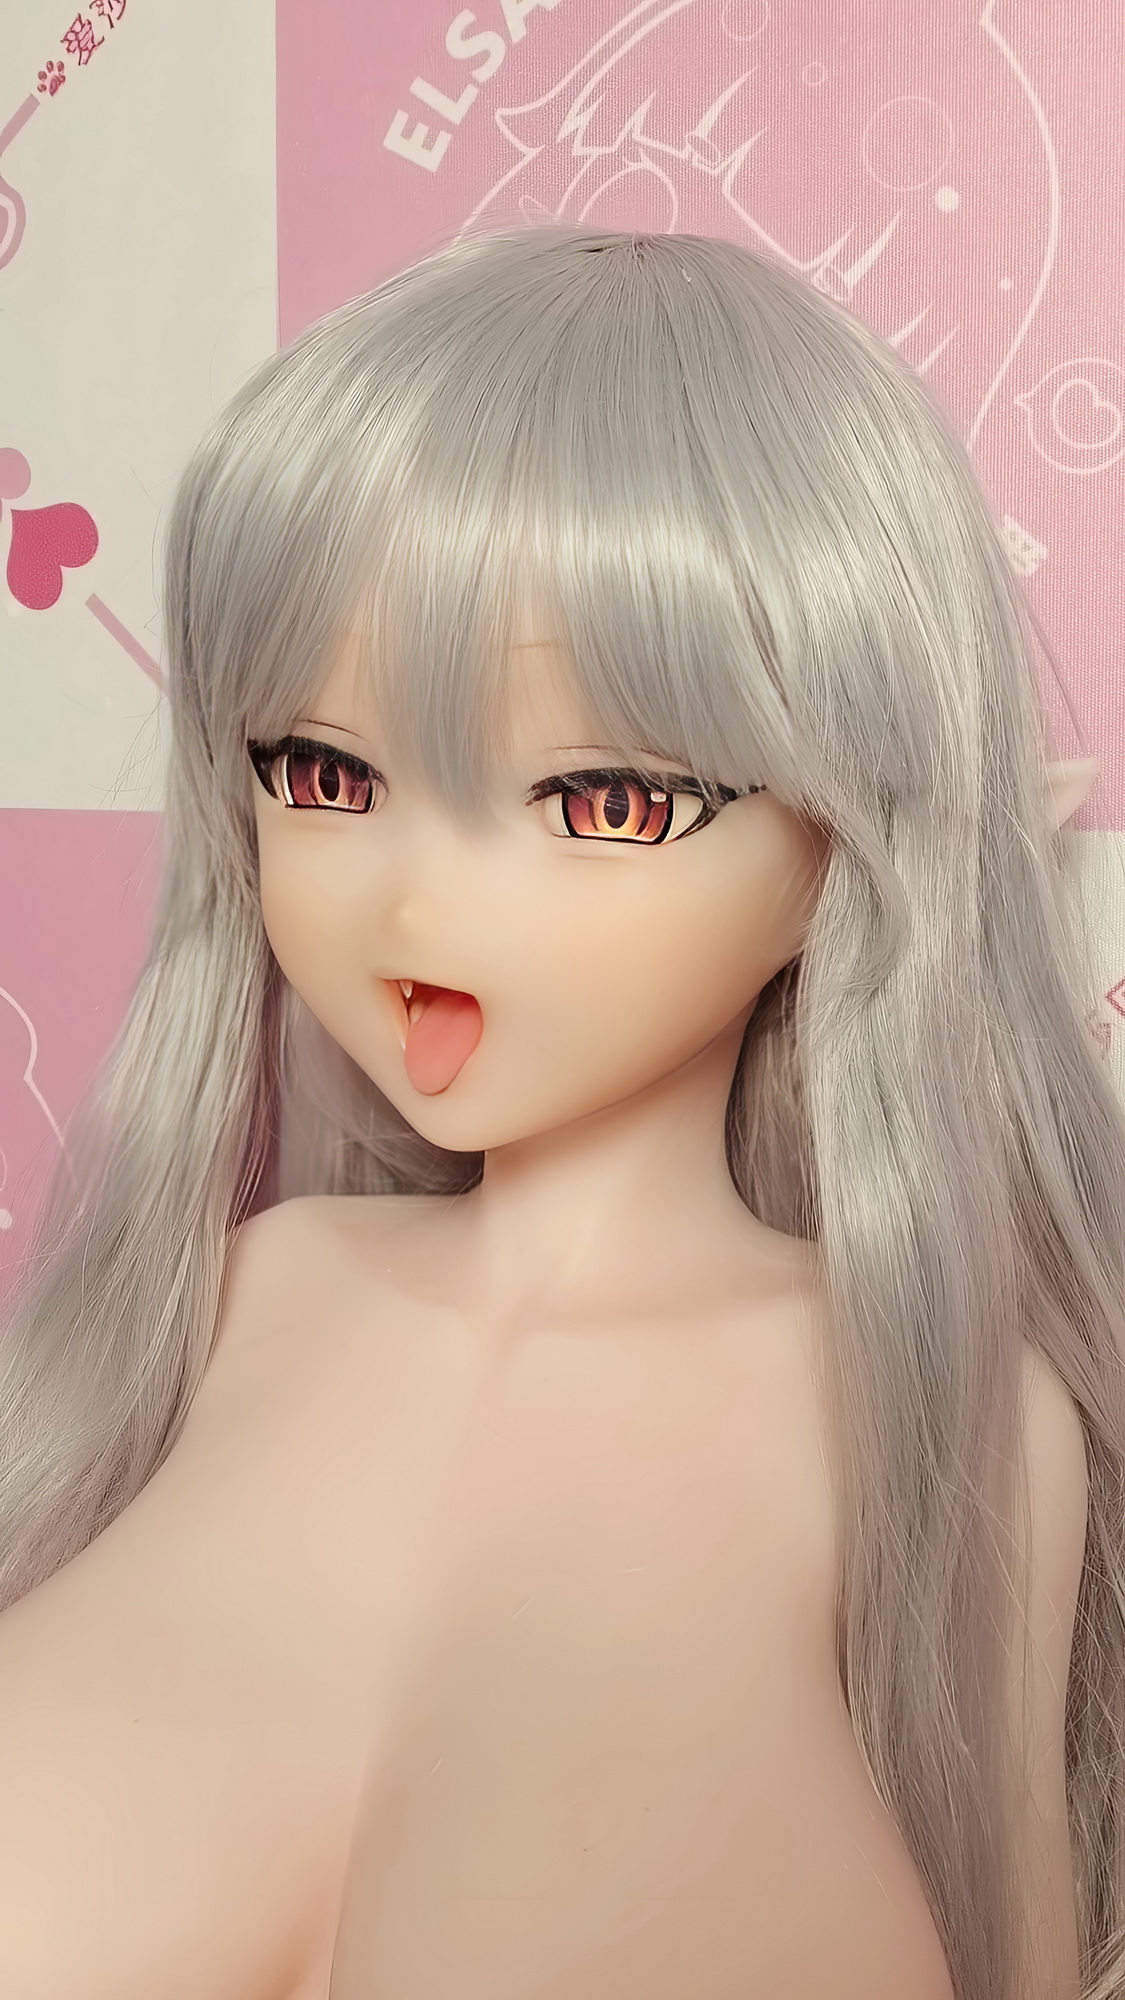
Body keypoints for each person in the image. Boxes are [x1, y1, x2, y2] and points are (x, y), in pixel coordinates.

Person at [0, 221, 1121, 2000]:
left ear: (856, 830)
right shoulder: (231, 1298)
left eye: (605, 801)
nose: (416, 905)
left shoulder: (936, 1413)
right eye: (326, 772)